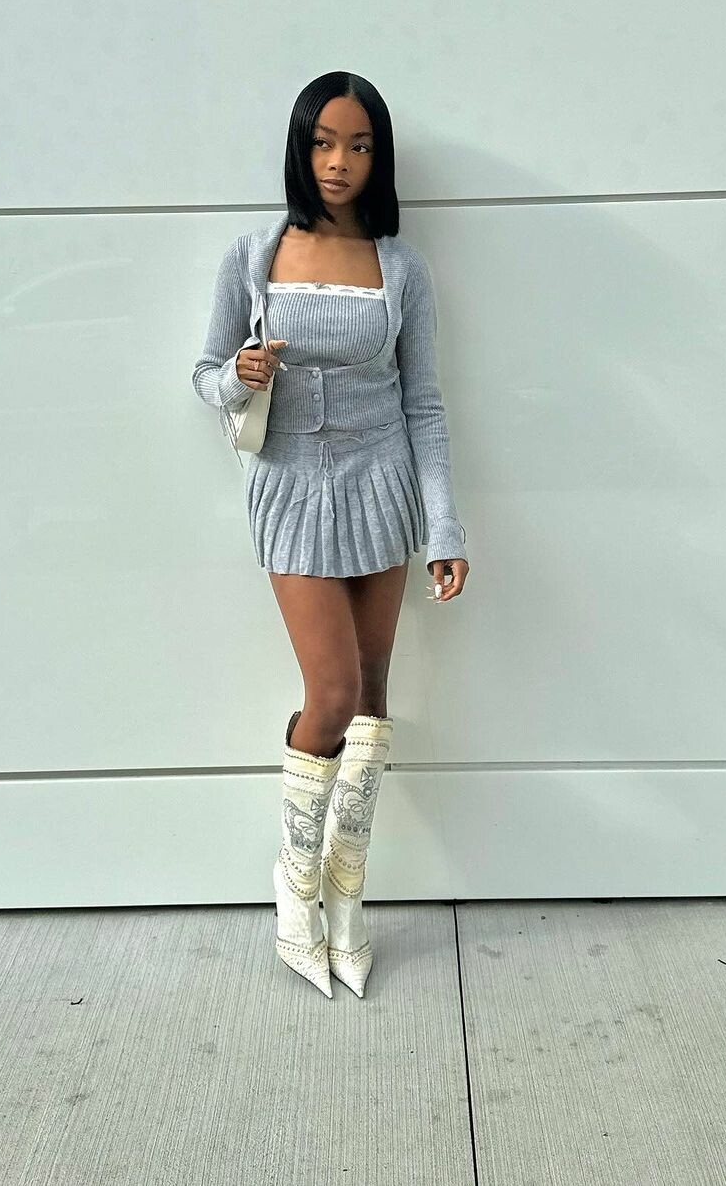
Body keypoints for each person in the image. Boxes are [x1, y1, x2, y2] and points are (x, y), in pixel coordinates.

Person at [191, 72, 470, 998]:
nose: (339, 162)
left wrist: (444, 524)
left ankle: (347, 898)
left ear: (377, 156)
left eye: (358, 144)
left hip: (383, 487)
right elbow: (204, 375)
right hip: (290, 491)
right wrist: (237, 372)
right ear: (300, 149)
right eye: (322, 142)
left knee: (372, 699)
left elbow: (424, 403)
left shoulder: (402, 267)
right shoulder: (254, 254)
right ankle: (294, 890)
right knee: (335, 691)